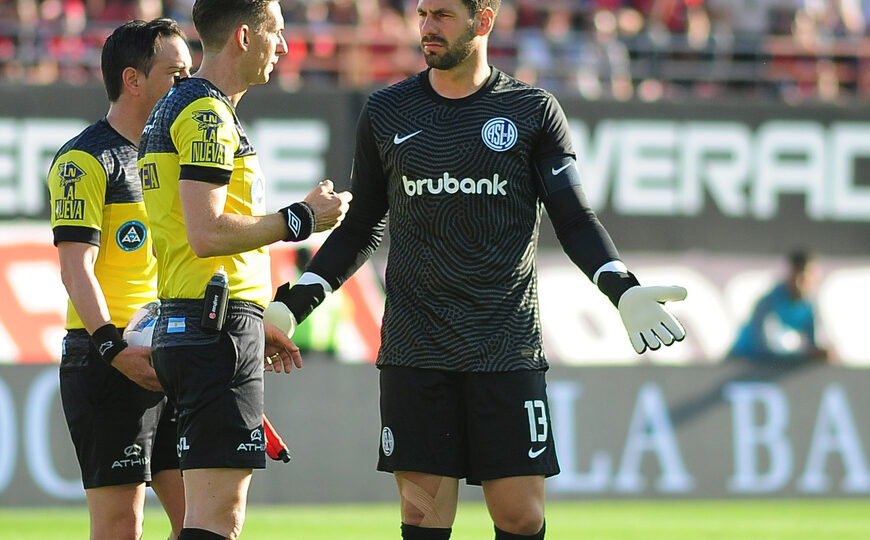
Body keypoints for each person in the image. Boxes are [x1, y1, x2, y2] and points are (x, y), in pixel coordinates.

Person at [267, 1, 688, 538]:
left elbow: (575, 219)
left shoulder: (532, 110)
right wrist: (291, 303)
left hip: (503, 347)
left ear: (483, 21)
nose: (427, 27)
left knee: (520, 516)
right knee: (423, 516)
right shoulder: (386, 111)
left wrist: (621, 288)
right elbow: (360, 227)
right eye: (422, 14)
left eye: (442, 15)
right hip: (416, 349)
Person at [137, 1, 352, 539]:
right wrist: (303, 217)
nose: (283, 46)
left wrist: (256, 320)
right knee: (218, 521)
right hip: (215, 330)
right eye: (275, 32)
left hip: (205, 322)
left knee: (200, 518)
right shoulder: (207, 115)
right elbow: (206, 233)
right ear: (242, 35)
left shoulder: (183, 107)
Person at [47, 18, 193, 540]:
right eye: (177, 76)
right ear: (133, 79)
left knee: (207, 520)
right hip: (105, 358)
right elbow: (74, 267)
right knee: (120, 526)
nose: (189, 89)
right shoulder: (84, 158)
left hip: (171, 352)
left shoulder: (175, 158)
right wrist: (113, 348)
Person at [728, 249, 832, 363]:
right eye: (798, 275)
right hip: (741, 358)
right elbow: (763, 348)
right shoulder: (769, 303)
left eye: (808, 276)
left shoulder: (809, 308)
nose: (800, 282)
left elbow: (812, 345)